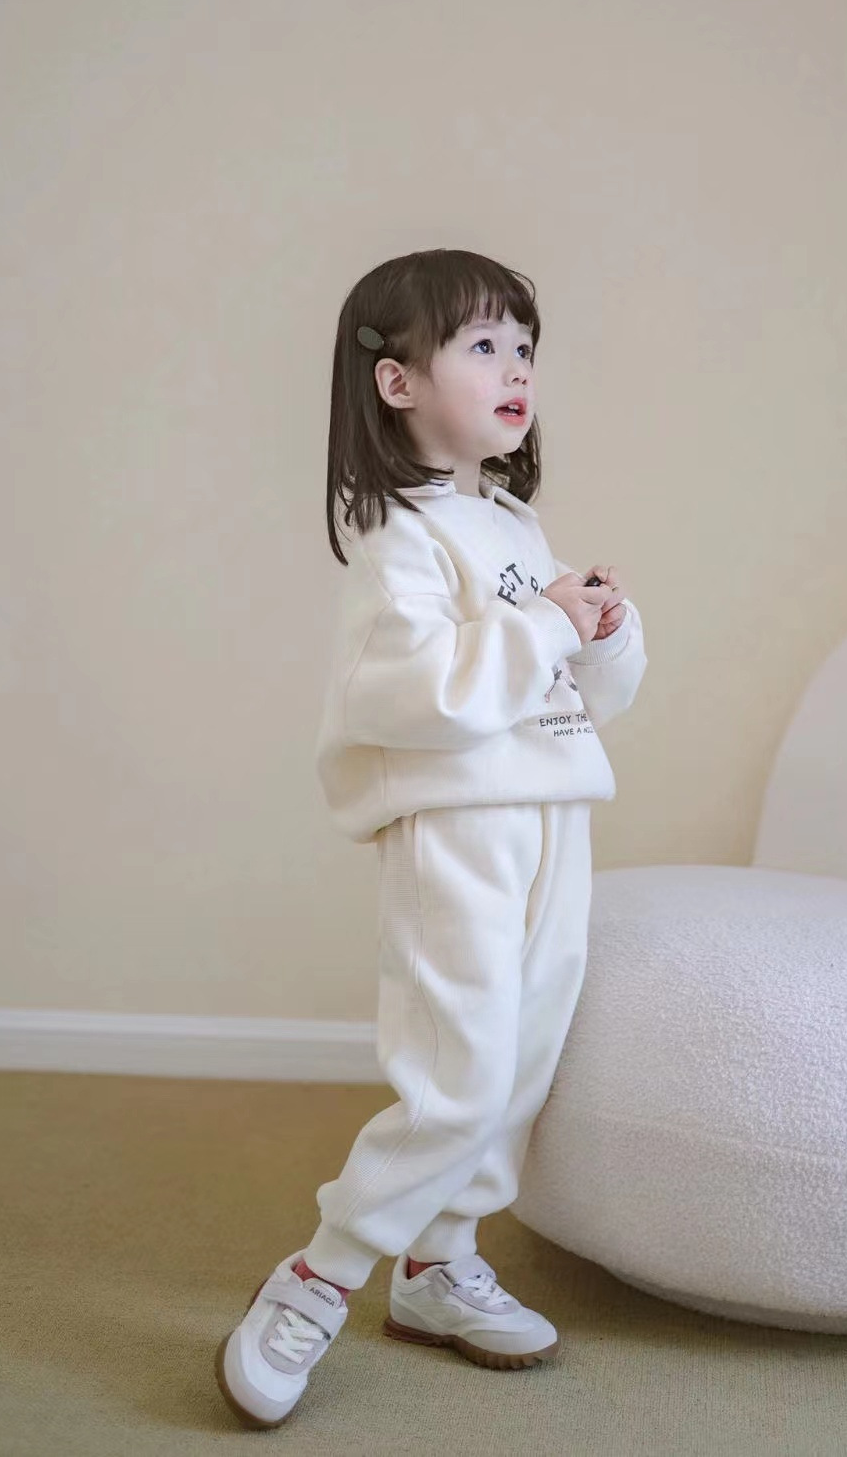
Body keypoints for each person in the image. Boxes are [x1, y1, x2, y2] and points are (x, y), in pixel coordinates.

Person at [215, 248, 647, 1429]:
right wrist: (542, 625)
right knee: (458, 1071)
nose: (517, 369)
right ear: (399, 383)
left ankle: (438, 1264)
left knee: (522, 1062)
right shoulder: (398, 540)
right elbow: (407, 695)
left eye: (525, 347)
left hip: (554, 810)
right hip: (458, 824)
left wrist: (602, 629)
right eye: (484, 346)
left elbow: (579, 694)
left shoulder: (511, 522)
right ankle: (323, 1272)